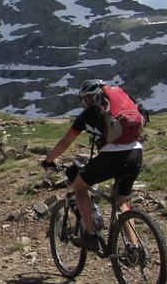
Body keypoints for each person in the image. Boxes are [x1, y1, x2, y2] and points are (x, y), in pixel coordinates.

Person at [41, 79, 143, 253]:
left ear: (88, 98)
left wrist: (48, 160)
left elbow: (65, 142)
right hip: (136, 152)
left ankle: (91, 235)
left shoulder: (89, 112)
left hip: (112, 156)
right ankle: (134, 248)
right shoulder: (126, 105)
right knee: (120, 201)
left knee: (80, 187)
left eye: (84, 99)